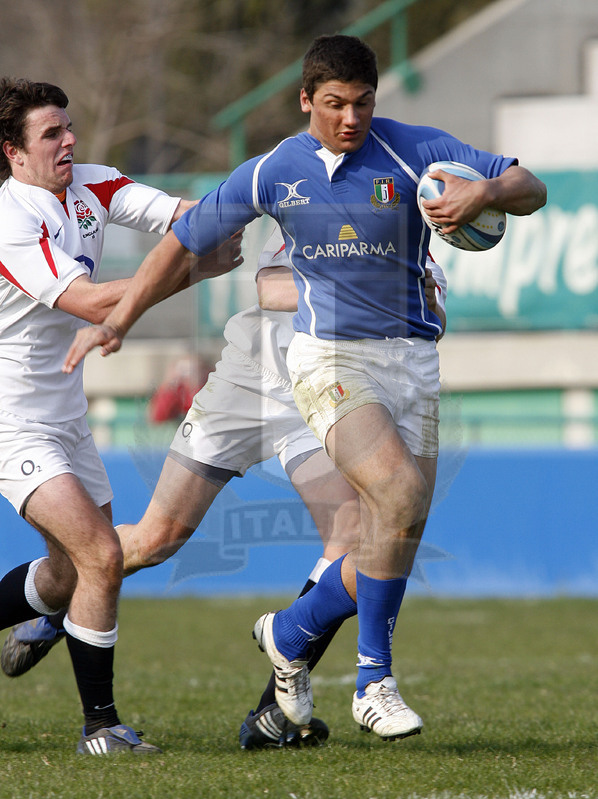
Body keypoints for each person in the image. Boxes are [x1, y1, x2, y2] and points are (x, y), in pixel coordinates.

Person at [61, 33, 546, 741]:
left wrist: (488, 189)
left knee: (395, 536)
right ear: (305, 101)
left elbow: (527, 184)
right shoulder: (272, 172)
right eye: (335, 104)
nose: (351, 118)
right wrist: (124, 315)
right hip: (329, 360)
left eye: (363, 103)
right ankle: (372, 681)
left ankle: (290, 632)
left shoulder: (414, 149)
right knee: (398, 496)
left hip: (413, 360)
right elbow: (186, 240)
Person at [3, 225, 447, 750]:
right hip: (252, 380)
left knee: (350, 536)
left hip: (324, 390)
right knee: (155, 539)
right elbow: (273, 289)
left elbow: (433, 319)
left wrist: (401, 299)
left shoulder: (415, 246)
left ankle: (272, 714)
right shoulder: (317, 197)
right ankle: (61, 599)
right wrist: (375, 294)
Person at [0, 77, 242, 755]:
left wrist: (261, 203)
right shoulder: (9, 219)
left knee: (69, 572)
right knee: (103, 555)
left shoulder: (94, 187)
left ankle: (47, 622)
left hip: (65, 417)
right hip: (11, 421)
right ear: (14, 154)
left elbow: (186, 218)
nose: (69, 140)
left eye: (69, 127)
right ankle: (100, 727)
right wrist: (195, 273)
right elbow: (91, 303)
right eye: (52, 134)